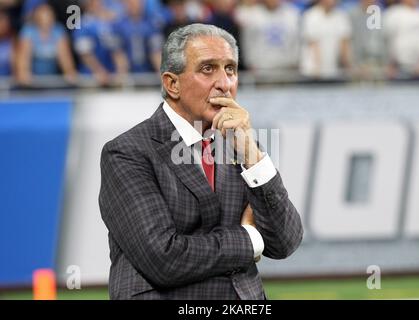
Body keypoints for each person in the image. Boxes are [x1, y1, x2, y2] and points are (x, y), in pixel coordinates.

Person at [99, 23, 303, 300]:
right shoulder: (127, 152)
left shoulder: (239, 145)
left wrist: (253, 157)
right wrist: (251, 239)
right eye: (208, 69)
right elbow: (164, 258)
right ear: (172, 84)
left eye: (230, 69)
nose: (225, 83)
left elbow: (285, 242)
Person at [16, 1, 77, 85]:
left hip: (53, 80)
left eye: (48, 16)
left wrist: (69, 73)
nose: (46, 20)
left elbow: (65, 57)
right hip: (32, 81)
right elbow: (23, 58)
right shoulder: (28, 32)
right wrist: (24, 74)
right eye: (42, 17)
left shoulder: (58, 31)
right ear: (36, 18)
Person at [300, 0, 352, 79]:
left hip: (334, 70)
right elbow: (313, 44)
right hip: (313, 72)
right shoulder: (310, 15)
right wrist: (317, 68)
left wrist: (348, 66)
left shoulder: (341, 16)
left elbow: (344, 43)